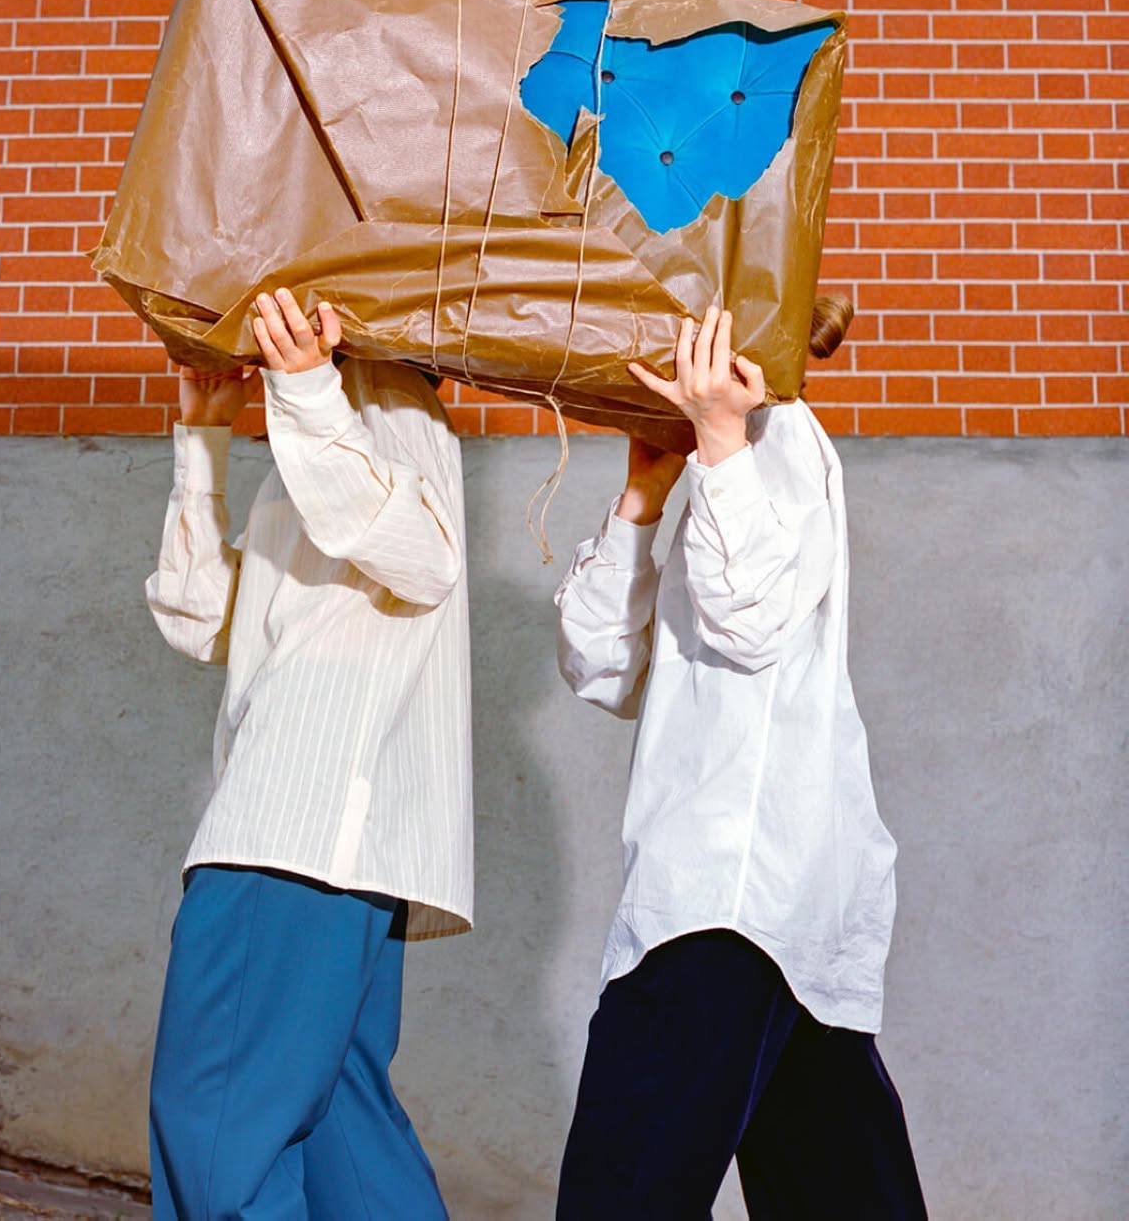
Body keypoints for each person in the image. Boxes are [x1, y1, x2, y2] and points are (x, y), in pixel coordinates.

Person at [553, 300, 926, 1219]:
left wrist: (720, 439)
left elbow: (749, 623)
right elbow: (600, 669)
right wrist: (644, 493)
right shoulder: (713, 464)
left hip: (728, 900)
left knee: (622, 1196)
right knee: (844, 1194)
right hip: (767, 909)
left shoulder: (781, 445)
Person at [145, 286, 469, 1221]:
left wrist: (307, 387)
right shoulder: (323, 425)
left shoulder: (385, 401)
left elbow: (426, 559)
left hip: (294, 831)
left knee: (218, 1130)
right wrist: (205, 434)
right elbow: (200, 619)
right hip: (332, 850)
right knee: (345, 1144)